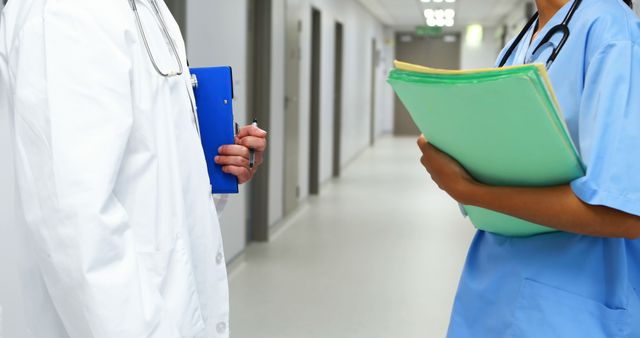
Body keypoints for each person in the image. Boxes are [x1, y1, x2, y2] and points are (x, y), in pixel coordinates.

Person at [0, 0, 266, 337]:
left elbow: (152, 163)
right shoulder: (63, 10)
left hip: (169, 306)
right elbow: (75, 222)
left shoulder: (151, 11)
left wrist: (218, 168)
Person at [417, 0, 640, 337]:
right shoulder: (516, 47)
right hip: (493, 283)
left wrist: (468, 190)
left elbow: (623, 213)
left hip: (573, 299)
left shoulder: (611, 30)